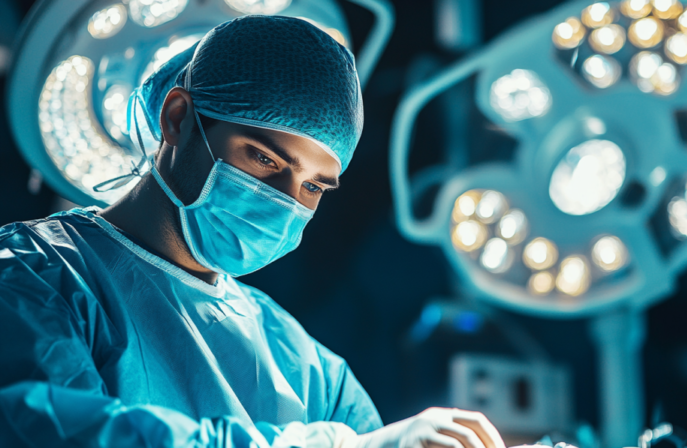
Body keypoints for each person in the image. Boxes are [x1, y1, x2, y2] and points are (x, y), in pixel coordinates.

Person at [0, 16, 506, 448]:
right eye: (264, 159)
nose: (285, 200)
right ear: (177, 119)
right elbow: (46, 427)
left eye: (313, 187)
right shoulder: (34, 277)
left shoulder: (312, 374)